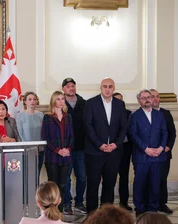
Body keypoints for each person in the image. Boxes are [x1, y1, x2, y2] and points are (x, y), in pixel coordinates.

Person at [83, 78, 127, 213]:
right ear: (100, 88)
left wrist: (116, 144)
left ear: (113, 88)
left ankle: (106, 214)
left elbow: (124, 127)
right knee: (93, 183)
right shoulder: (91, 103)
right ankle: (91, 214)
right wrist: (99, 144)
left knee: (109, 184)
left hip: (113, 152)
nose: (107, 89)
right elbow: (88, 126)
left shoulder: (120, 104)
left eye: (110, 86)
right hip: (95, 152)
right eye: (104, 86)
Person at [129, 89, 167, 216]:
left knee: (155, 184)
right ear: (139, 100)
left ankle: (153, 208)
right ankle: (139, 208)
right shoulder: (134, 116)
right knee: (140, 183)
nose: (147, 99)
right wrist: (146, 149)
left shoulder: (159, 115)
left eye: (148, 97)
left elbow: (164, 132)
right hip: (141, 156)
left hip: (157, 156)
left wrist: (161, 148)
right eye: (143, 97)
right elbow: (133, 135)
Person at [41, 91, 73, 212]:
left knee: (63, 186)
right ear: (53, 101)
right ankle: (51, 212)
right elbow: (45, 138)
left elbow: (71, 137)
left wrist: (68, 149)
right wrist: (58, 150)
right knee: (53, 186)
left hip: (66, 157)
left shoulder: (68, 117)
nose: (61, 101)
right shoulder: (47, 117)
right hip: (52, 157)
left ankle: (59, 212)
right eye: (58, 99)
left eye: (62, 99)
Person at [61, 78, 87, 215]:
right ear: (63, 89)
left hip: (81, 147)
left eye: (73, 86)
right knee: (66, 178)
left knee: (82, 177)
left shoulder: (84, 103)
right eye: (68, 86)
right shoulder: (60, 103)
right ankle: (66, 203)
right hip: (66, 148)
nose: (71, 88)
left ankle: (79, 202)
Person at [150, 89, 176, 214]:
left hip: (164, 153)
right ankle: (148, 203)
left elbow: (172, 133)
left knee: (161, 179)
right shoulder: (144, 113)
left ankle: (161, 203)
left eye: (157, 96)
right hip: (148, 153)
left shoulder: (166, 113)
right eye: (152, 96)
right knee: (148, 179)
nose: (155, 99)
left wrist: (167, 147)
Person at [15, 92, 44, 178]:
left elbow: (43, 133)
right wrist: (29, 148)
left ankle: (37, 191)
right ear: (25, 102)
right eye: (30, 99)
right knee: (28, 175)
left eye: (34, 99)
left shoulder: (40, 115)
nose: (32, 101)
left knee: (37, 174)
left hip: (40, 150)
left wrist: (39, 147)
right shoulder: (20, 116)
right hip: (26, 150)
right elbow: (20, 134)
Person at [113, 92, 134, 211]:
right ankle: (107, 204)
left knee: (124, 176)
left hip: (125, 148)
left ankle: (124, 202)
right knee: (109, 176)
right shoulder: (107, 113)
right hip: (111, 148)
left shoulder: (128, 114)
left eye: (121, 100)